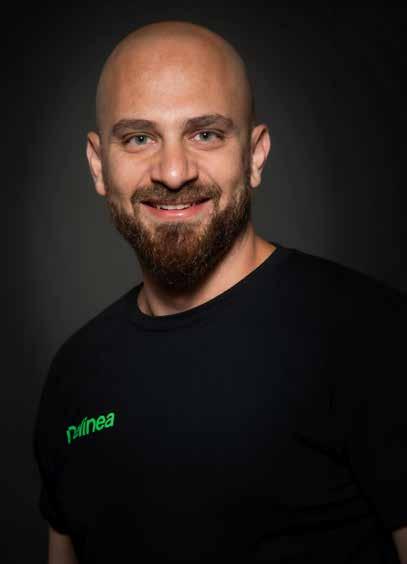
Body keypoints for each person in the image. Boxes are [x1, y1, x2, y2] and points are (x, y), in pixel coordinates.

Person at [33, 20, 407, 563]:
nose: (173, 172)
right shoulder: (74, 374)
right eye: (139, 138)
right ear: (98, 165)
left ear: (254, 155)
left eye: (205, 134)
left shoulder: (373, 335)